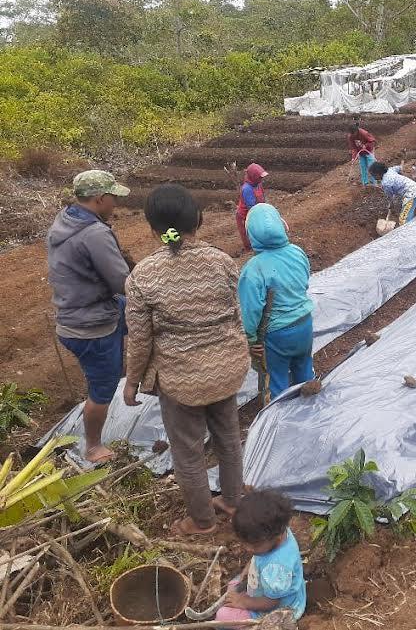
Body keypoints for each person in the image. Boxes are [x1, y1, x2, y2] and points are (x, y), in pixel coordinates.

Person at [124, 184, 250, 536]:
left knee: (188, 453)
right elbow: (234, 317)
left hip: (181, 381)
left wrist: (133, 381)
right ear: (198, 219)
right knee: (228, 438)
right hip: (225, 370)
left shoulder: (143, 277)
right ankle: (233, 500)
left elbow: (140, 340)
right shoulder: (223, 262)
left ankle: (203, 521)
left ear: (153, 228)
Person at [47, 170, 132, 464]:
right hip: (92, 326)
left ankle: (136, 374)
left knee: (135, 315)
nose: (115, 204)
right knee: (102, 387)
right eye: (112, 198)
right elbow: (123, 282)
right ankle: (93, 446)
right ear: (99, 198)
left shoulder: (65, 219)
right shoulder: (95, 233)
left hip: (71, 314)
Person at [239, 203, 315, 402]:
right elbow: (304, 282)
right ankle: (311, 413)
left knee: (277, 381)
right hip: (305, 325)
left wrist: (251, 340)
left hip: (277, 336)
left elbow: (250, 312)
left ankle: (279, 425)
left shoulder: (253, 269)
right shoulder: (297, 252)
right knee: (305, 371)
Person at [216, 490, 306, 625]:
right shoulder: (278, 528)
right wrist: (250, 565)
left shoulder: (277, 567)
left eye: (254, 546)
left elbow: (272, 602)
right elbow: (259, 553)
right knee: (234, 585)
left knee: (223, 616)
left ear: (277, 536)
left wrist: (244, 602)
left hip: (278, 607)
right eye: (244, 542)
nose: (248, 549)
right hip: (268, 587)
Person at [369, 161, 416, 226]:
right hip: (413, 188)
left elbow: (390, 196)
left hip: (411, 193)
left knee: (403, 220)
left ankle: (410, 233)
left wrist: (391, 205)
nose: (373, 177)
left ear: (378, 173)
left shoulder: (386, 183)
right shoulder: (390, 170)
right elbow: (399, 168)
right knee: (408, 214)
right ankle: (413, 225)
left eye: (373, 175)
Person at [237, 163, 268, 251]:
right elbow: (251, 208)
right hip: (244, 216)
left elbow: (263, 198)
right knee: (248, 235)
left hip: (257, 211)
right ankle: (250, 251)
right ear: (253, 176)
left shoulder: (258, 185)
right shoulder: (247, 189)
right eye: (259, 177)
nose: (261, 179)